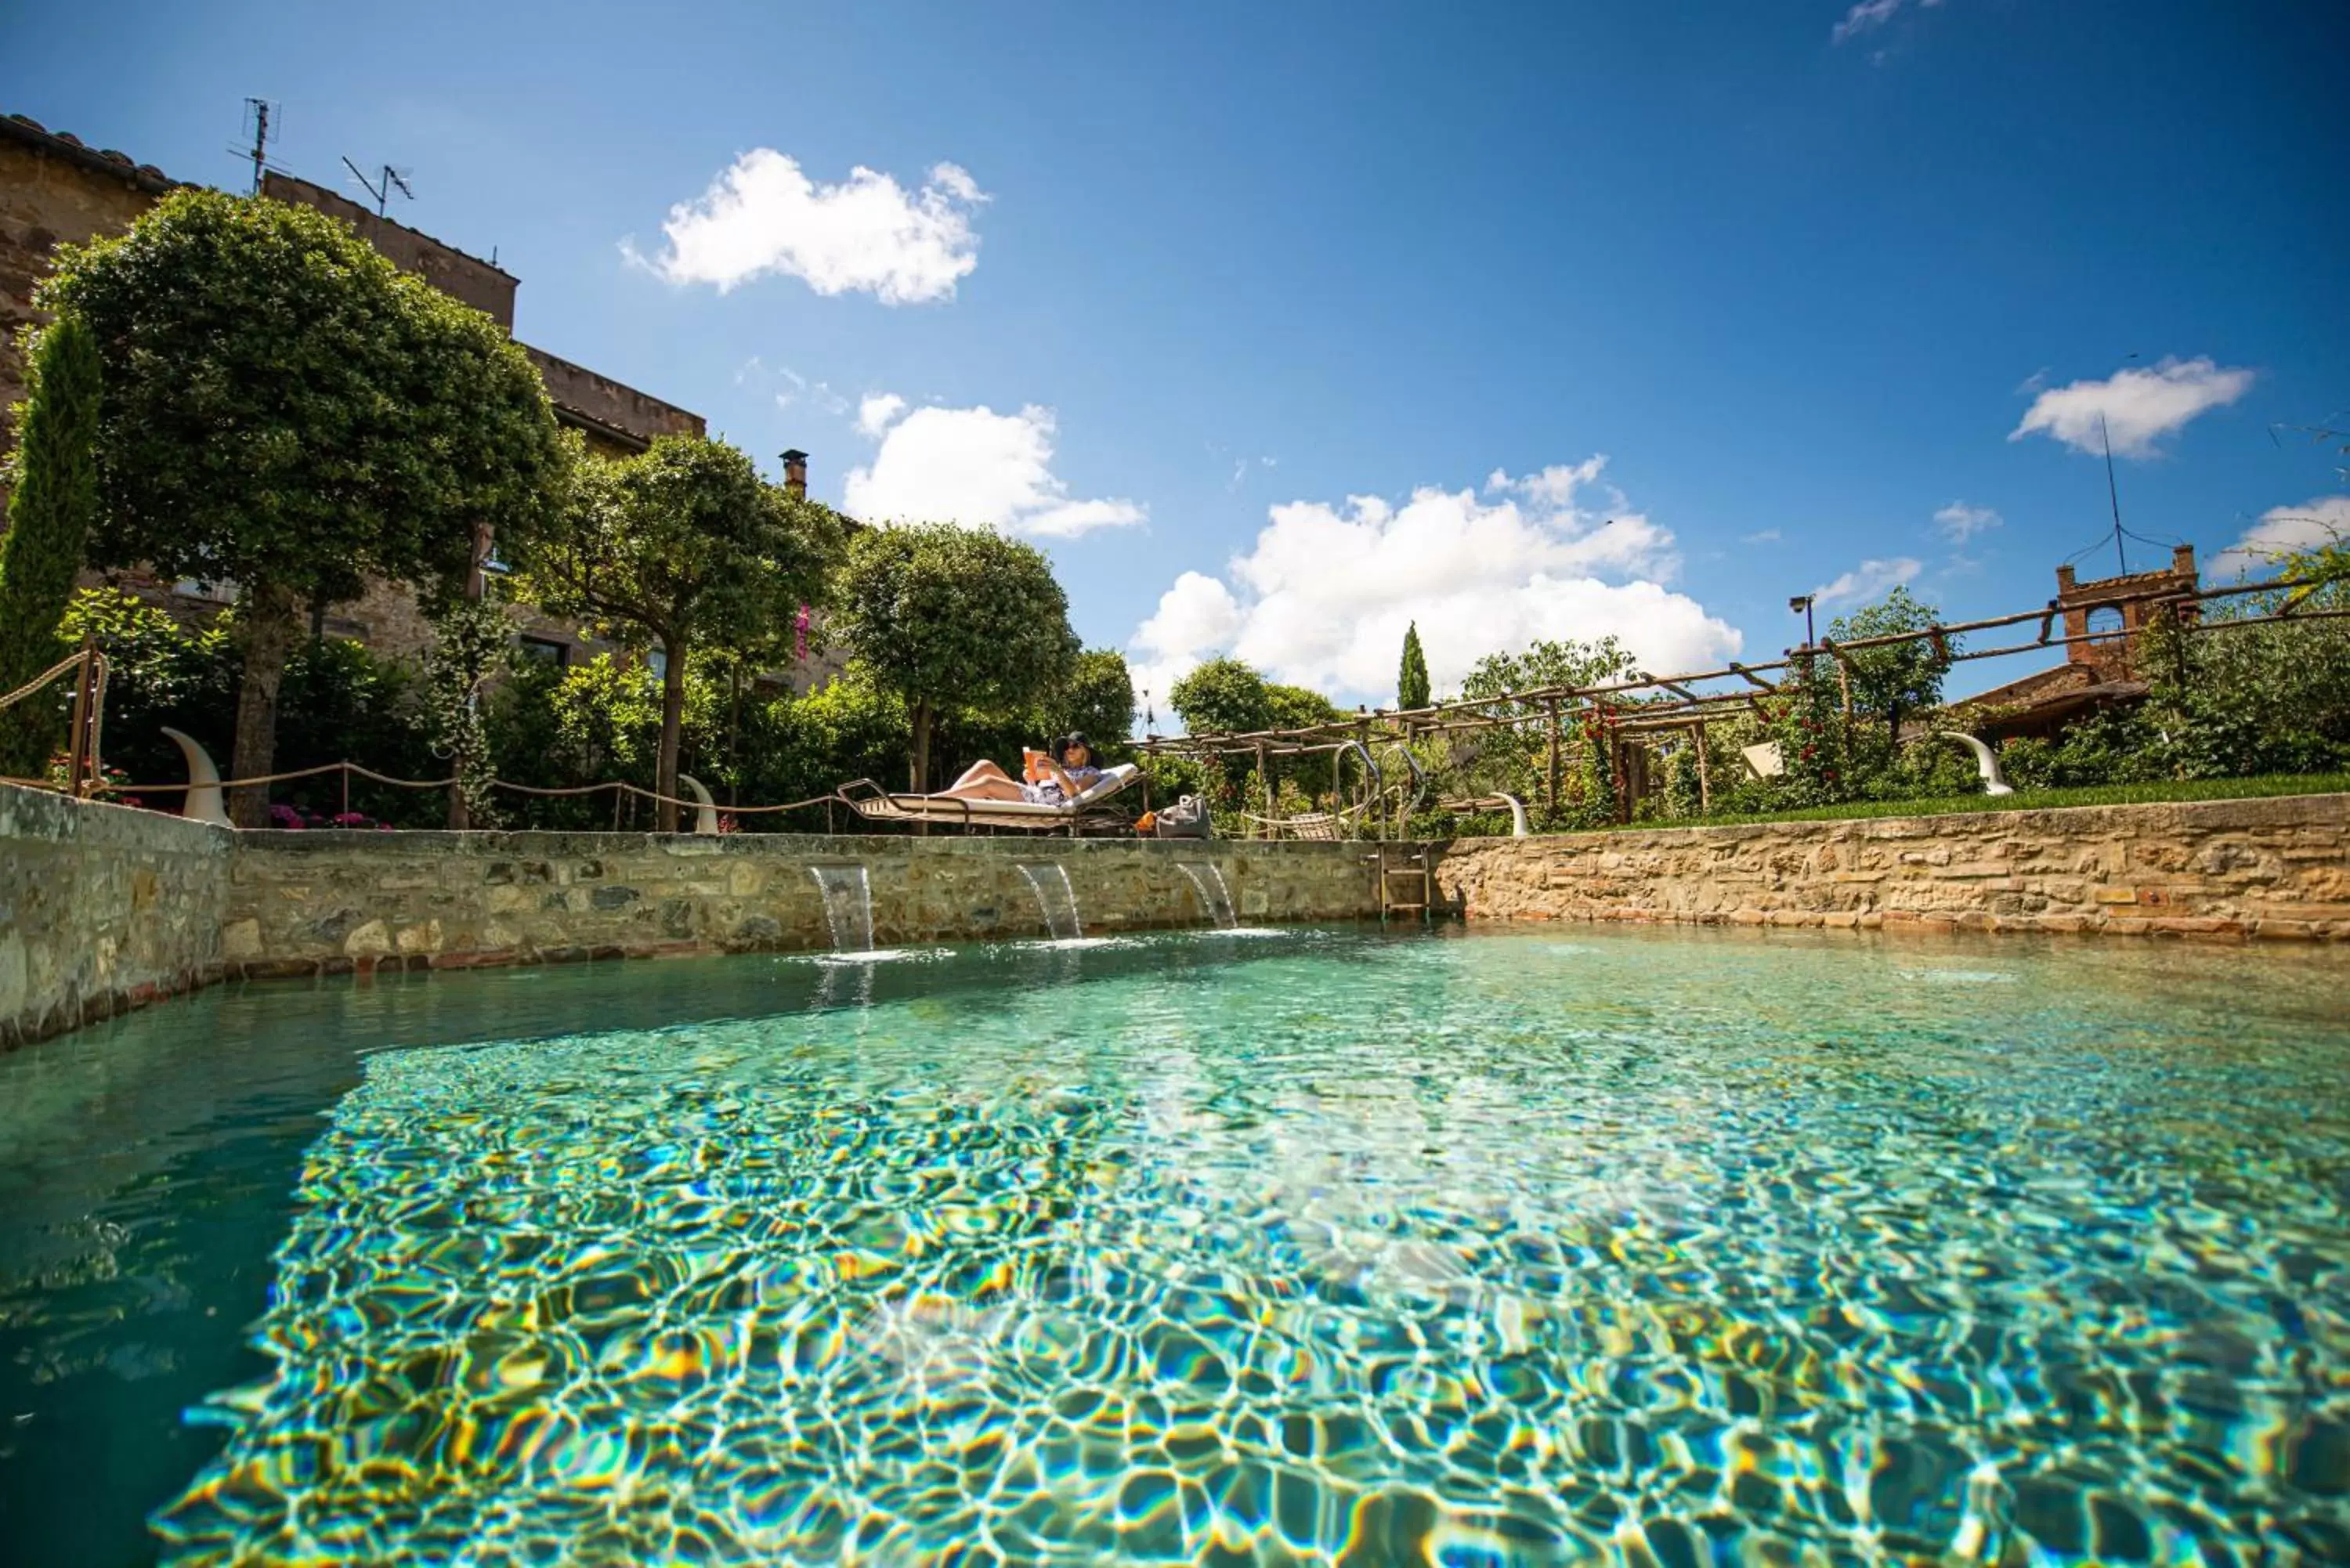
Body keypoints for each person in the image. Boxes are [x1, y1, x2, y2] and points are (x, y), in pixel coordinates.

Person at [939, 732, 1105, 805]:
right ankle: (948, 799)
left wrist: (1058, 772)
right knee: (985, 765)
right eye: (1067, 747)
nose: (1069, 750)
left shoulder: (1091, 773)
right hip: (1035, 794)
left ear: (1085, 751)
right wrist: (1031, 780)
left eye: (1075, 746)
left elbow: (1075, 795)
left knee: (988, 782)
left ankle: (939, 800)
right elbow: (1045, 790)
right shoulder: (1064, 770)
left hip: (1041, 802)